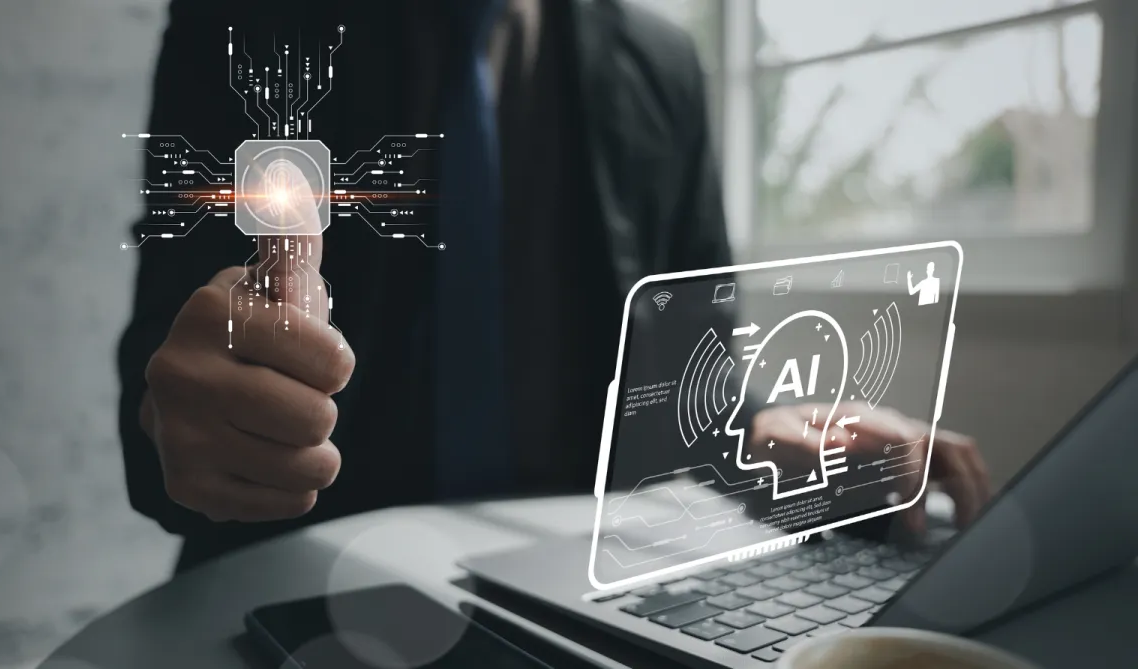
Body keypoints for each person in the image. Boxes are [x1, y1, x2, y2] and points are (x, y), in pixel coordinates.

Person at [118, 0, 989, 573]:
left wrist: (764, 430)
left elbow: (697, 374)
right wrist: (188, 419)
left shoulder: (665, 66)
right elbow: (170, 369)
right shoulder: (253, 26)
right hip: (301, 583)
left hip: (581, 585)